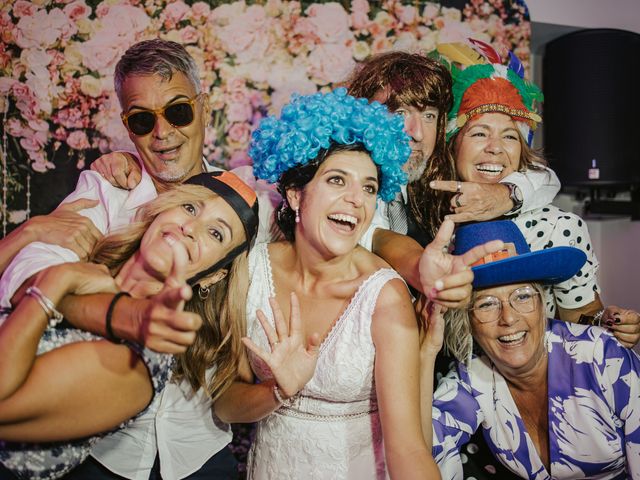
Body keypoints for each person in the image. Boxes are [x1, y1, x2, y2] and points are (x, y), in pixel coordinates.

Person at [0, 39, 250, 480]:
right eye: (142, 119)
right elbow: (27, 269)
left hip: (200, 448)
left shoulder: (248, 204)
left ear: (204, 107)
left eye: (177, 111)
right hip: (107, 455)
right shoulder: (105, 190)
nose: (163, 133)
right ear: (127, 125)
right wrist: (116, 310)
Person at [0, 170, 258, 480]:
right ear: (162, 208)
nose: (190, 228)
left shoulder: (144, 362)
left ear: (215, 274)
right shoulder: (82, 256)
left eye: (216, 233)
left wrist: (55, 283)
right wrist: (30, 232)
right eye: (190, 207)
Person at [420, 219, 640, 479]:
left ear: (542, 301)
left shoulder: (602, 355)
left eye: (522, 296)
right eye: (486, 304)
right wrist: (426, 352)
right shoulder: (470, 378)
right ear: (466, 319)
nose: (508, 318)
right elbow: (421, 452)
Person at [445, 59, 640, 344]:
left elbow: (581, 317)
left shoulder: (557, 228)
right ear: (452, 147)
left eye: (510, 136)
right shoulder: (423, 216)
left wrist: (608, 324)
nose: (495, 147)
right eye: (479, 133)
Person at [346, 51, 561, 298]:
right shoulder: (338, 179)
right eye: (400, 113)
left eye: (429, 116)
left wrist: (504, 194)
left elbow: (544, 177)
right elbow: (375, 235)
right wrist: (420, 268)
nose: (417, 133)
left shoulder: (435, 177)